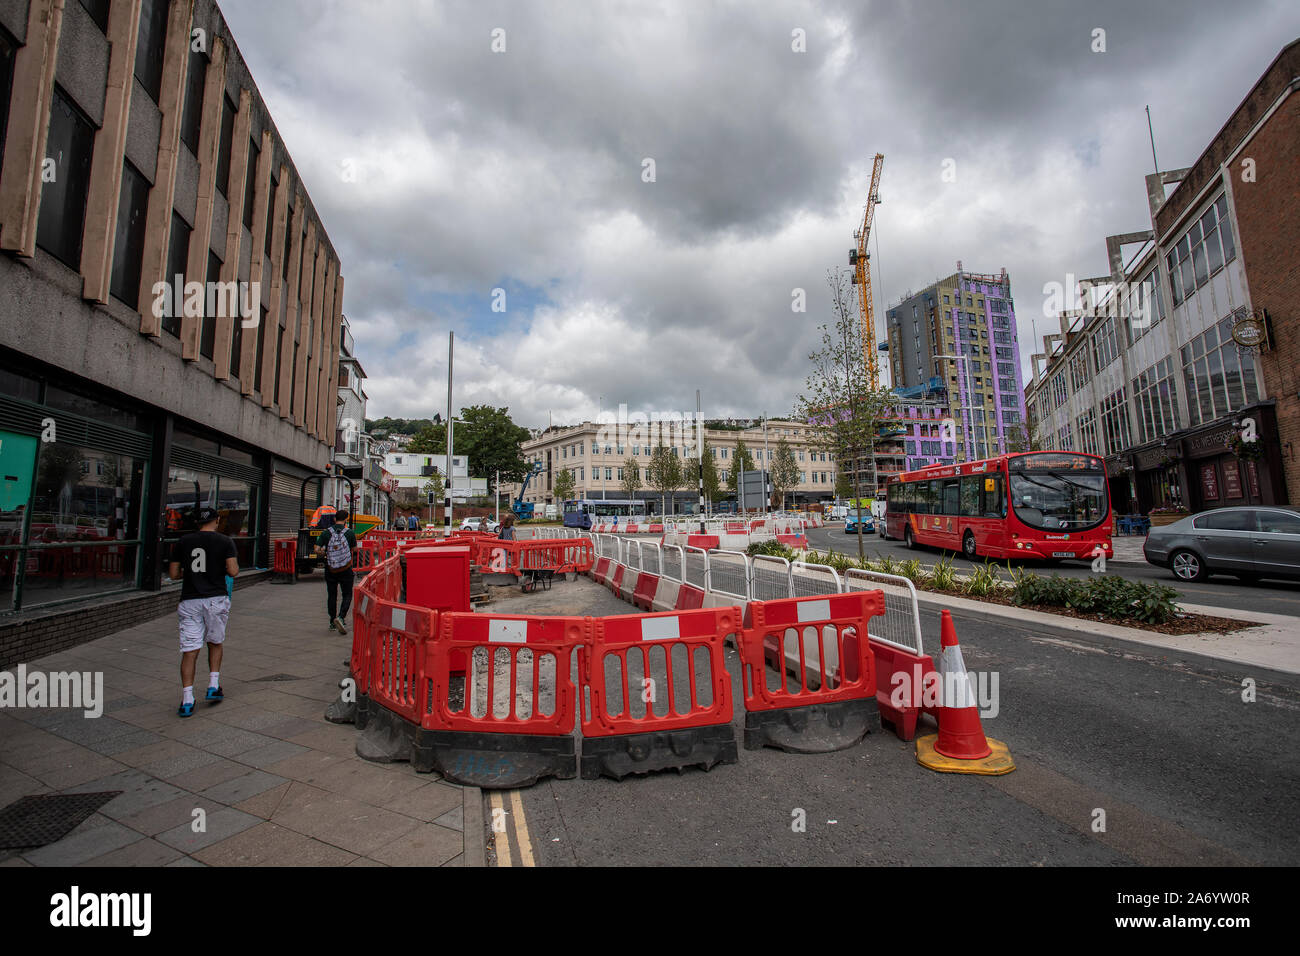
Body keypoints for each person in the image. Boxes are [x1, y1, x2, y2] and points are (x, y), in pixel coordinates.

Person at [168, 507, 238, 718]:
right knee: (215, 642)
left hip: (190, 600)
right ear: (217, 521)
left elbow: (174, 574)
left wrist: (190, 573)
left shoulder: (183, 542)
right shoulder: (225, 541)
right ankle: (213, 685)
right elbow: (233, 571)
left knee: (190, 650)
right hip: (215, 598)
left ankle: (187, 699)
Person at [316, 509, 357, 634]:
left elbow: (317, 549)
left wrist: (324, 551)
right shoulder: (350, 533)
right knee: (347, 594)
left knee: (332, 595)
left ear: (334, 519)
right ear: (346, 519)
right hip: (346, 568)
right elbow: (355, 549)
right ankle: (341, 617)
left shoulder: (326, 533)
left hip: (331, 568)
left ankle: (332, 621)